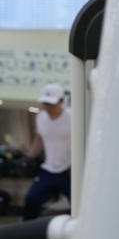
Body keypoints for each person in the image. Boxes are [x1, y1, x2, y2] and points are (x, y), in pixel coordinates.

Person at [23, 83, 71, 220]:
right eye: (45, 103)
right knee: (31, 199)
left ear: (61, 101)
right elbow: (39, 139)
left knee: (79, 203)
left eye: (51, 104)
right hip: (49, 169)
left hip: (69, 170)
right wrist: (29, 157)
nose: (47, 107)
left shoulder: (72, 118)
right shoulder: (41, 117)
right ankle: (27, 233)